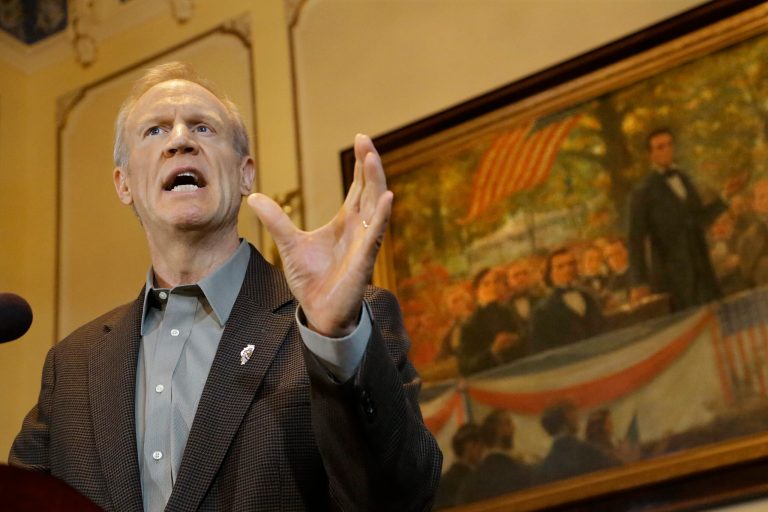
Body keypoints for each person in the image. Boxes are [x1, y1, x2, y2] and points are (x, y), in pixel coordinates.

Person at [9, 63, 441, 512]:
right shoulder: (72, 365)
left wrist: (337, 340)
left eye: (203, 127)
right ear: (124, 184)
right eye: (155, 130)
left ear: (245, 173)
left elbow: (400, 499)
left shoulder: (341, 327)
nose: (180, 140)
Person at [628, 128, 728, 312]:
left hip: (701, 267)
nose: (666, 150)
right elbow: (635, 239)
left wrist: (724, 199)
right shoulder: (643, 191)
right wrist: (638, 281)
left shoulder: (685, 179)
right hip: (671, 275)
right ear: (650, 154)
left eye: (669, 145)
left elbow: (699, 219)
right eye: (660, 147)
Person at [530, 248, 604, 355]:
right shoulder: (542, 310)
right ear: (550, 273)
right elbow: (540, 348)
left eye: (571, 264)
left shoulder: (588, 296)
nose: (568, 270)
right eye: (560, 267)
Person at [456, 268, 525, 375]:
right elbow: (466, 366)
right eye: (486, 284)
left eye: (496, 282)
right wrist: (493, 351)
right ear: (476, 291)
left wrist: (517, 340)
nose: (493, 287)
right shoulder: (469, 324)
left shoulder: (509, 311)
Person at [533, 401, 620, 485]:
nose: (578, 417)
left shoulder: (544, 467)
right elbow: (617, 473)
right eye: (574, 412)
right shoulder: (588, 453)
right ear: (568, 416)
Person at [455, 409, 532, 504]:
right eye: (508, 423)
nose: (514, 427)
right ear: (501, 430)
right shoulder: (522, 472)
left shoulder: (470, 483)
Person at [433, 423, 485, 510]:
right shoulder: (453, 481)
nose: (482, 450)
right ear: (468, 446)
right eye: (479, 444)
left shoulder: (446, 479)